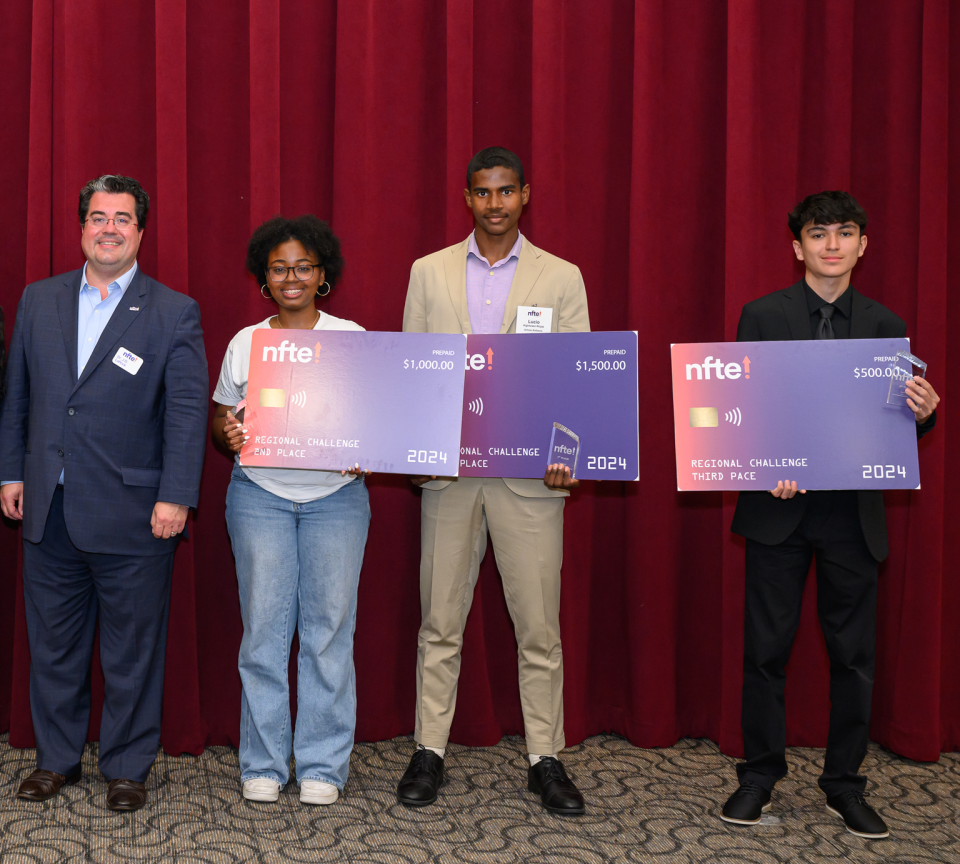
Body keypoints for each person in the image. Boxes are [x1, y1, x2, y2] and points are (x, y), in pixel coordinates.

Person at [720, 191, 940, 838]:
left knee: (854, 660)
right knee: (765, 654)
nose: (832, 245)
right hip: (777, 512)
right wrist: (767, 465)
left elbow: (893, 428)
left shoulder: (884, 324)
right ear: (798, 246)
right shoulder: (761, 315)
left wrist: (922, 414)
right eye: (819, 234)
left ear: (863, 245)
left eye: (845, 233)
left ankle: (844, 785)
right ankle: (758, 778)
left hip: (851, 516)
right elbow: (739, 410)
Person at [0, 175, 208, 812]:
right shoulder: (39, 300)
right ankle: (56, 761)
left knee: (131, 652)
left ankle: (126, 767)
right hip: (49, 508)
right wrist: (10, 472)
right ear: (81, 227)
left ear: (141, 231)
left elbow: (186, 413)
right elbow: (19, 398)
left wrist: (176, 496)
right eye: (97, 217)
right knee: (54, 649)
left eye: (122, 218)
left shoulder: (173, 310)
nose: (109, 228)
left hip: (136, 514)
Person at [397, 146, 589, 815]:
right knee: (439, 620)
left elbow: (578, 375)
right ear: (468, 199)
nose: (496, 204)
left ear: (525, 195)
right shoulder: (429, 272)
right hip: (450, 476)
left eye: (507, 192)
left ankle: (546, 758)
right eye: (483, 193)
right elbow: (414, 368)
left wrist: (570, 453)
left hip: (530, 479)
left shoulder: (561, 277)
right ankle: (429, 750)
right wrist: (418, 449)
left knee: (538, 625)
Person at [212, 215, 371, 806]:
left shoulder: (351, 337)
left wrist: (366, 450)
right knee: (264, 633)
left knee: (329, 633)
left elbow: (374, 422)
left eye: (303, 266)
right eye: (279, 267)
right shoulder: (245, 342)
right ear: (264, 277)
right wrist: (227, 434)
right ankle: (263, 762)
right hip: (259, 496)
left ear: (322, 272)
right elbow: (221, 418)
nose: (292, 276)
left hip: (336, 500)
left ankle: (323, 768)